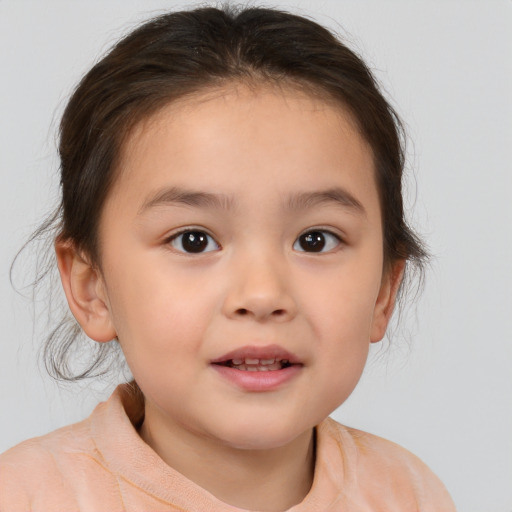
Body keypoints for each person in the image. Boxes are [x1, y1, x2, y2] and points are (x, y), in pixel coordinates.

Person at [0, 5, 456, 511]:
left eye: (315, 240)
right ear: (92, 287)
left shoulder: (407, 494)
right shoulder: (25, 496)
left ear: (384, 291)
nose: (262, 295)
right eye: (193, 240)